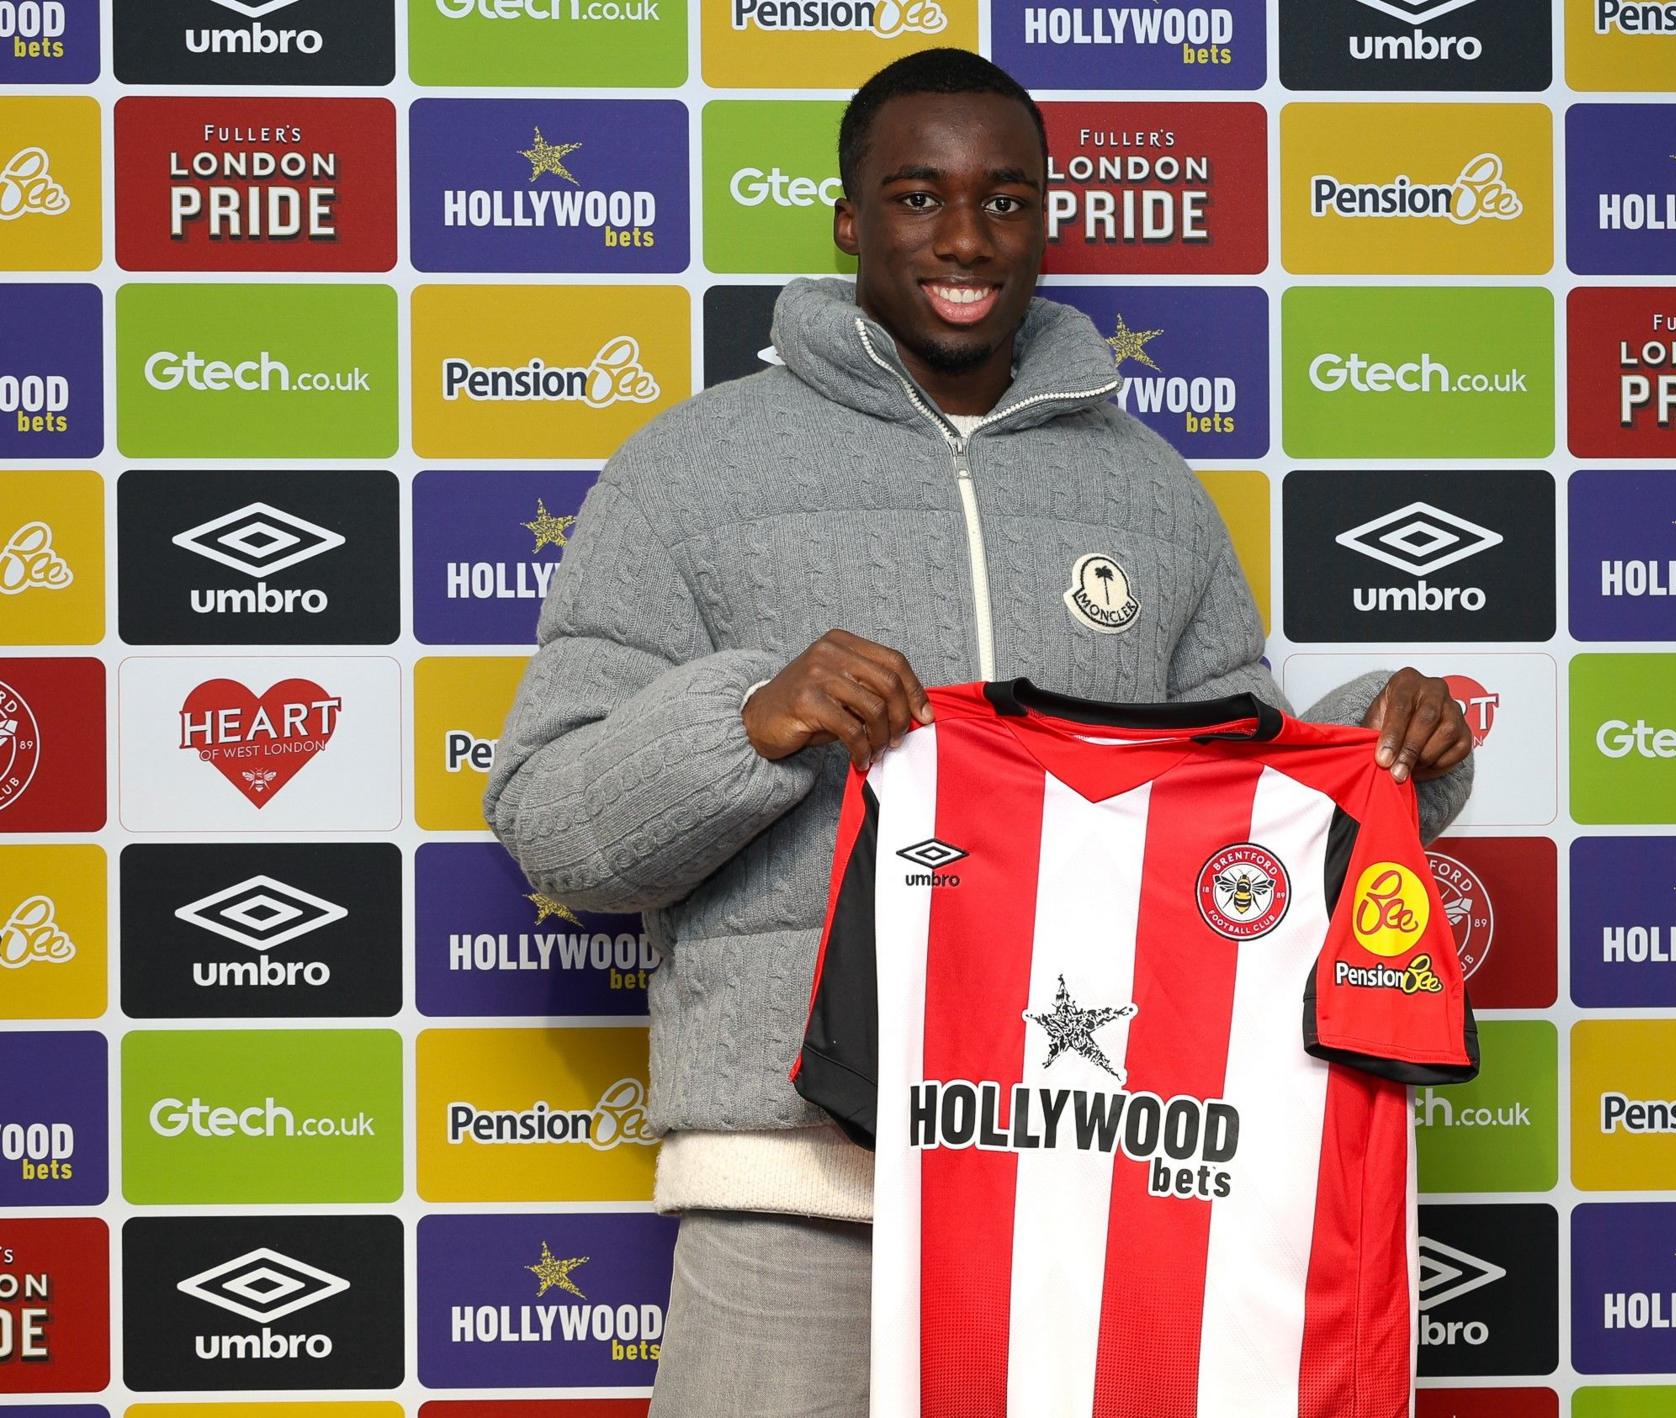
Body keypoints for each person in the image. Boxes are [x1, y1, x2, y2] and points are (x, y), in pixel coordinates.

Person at [482, 47, 1476, 1418]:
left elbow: (1239, 793)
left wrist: (1383, 743)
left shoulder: (1148, 492)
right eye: (916, 196)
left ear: (1045, 216)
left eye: (1004, 198)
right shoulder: (688, 470)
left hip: (1103, 1189)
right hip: (808, 1199)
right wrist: (749, 720)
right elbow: (550, 817)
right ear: (848, 218)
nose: (963, 237)